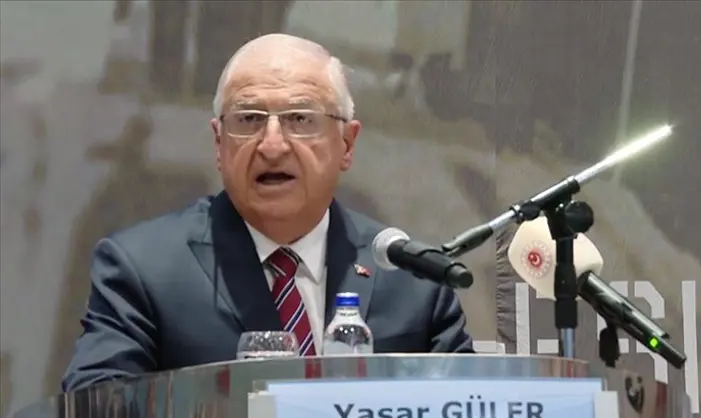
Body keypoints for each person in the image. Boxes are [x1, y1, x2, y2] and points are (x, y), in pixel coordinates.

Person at [61, 34, 474, 392]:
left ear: (347, 144)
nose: (272, 145)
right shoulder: (144, 270)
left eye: (300, 119)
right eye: (249, 119)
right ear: (219, 144)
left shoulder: (412, 282)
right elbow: (95, 415)